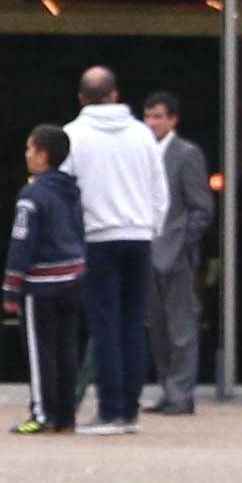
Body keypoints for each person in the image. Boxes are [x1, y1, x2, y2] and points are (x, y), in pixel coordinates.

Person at [63, 64, 166, 436]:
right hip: (138, 236)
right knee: (133, 324)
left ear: (81, 98)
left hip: (96, 238)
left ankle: (109, 409)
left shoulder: (72, 136)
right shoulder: (142, 135)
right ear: (116, 95)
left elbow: (64, 192)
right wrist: (149, 226)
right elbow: (160, 191)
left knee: (104, 326)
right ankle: (129, 410)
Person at [3, 125, 88, 436]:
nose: (26, 155)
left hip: (40, 282)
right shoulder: (72, 192)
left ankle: (41, 412)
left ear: (43, 155)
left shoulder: (32, 195)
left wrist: (12, 286)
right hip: (72, 277)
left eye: (29, 149)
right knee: (67, 347)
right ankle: (66, 414)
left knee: (40, 350)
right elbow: (81, 232)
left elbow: (21, 241)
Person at [142, 91, 213, 414]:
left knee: (182, 327)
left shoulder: (187, 154)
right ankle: (168, 389)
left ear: (173, 119)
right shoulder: (142, 153)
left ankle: (182, 392)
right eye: (148, 116)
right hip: (146, 250)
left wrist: (182, 242)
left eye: (158, 116)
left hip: (176, 252)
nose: (152, 122)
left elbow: (202, 208)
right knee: (157, 327)